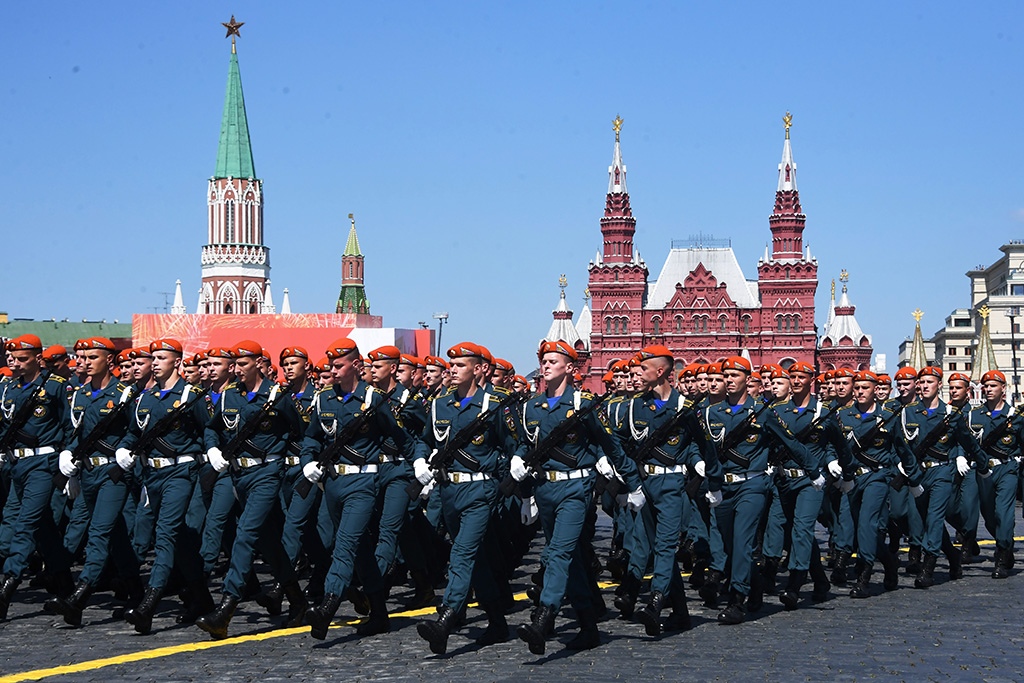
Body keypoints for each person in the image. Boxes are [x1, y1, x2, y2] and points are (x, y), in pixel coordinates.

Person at [511, 341, 642, 653]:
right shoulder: (532, 406)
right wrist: (520, 470)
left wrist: (633, 484)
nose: (546, 365)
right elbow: (526, 444)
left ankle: (544, 616)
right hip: (545, 489)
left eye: (553, 361)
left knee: (556, 553)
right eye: (543, 360)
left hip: (576, 489)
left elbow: (611, 446)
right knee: (571, 561)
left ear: (570, 368)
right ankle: (588, 626)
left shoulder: (584, 403)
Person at [301, 338, 426, 641]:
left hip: (362, 483)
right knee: (361, 552)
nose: (333, 370)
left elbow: (402, 437)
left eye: (339, 365)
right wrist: (308, 461)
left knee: (345, 544)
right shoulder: (324, 400)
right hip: (332, 483)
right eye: (331, 365)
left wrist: (420, 463)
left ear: (356, 366)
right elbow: (312, 437)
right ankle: (380, 614)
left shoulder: (374, 400)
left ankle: (327, 607)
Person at [196, 340, 307, 639]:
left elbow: (303, 431)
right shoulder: (230, 395)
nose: (236, 369)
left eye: (242, 364)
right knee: (270, 543)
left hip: (267, 473)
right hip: (239, 476)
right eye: (234, 364)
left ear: (258, 364)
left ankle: (226, 609)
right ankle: (298, 601)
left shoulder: (278, 396)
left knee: (244, 536)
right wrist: (213, 450)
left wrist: (295, 461)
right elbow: (211, 427)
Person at [412, 342, 516, 655]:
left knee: (461, 553)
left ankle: (447, 616)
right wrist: (419, 460)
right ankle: (497, 621)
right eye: (452, 365)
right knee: (477, 558)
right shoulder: (440, 403)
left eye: (460, 366)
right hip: (448, 492)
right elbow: (424, 439)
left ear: (479, 369)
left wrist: (516, 482)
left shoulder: (496, 403)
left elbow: (516, 445)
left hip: (479, 491)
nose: (453, 371)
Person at [703, 356, 812, 624]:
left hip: (752, 484)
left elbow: (790, 442)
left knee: (743, 542)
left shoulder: (762, 412)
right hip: (722, 488)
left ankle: (736, 600)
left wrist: (814, 469)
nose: (728, 381)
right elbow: (701, 448)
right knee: (730, 547)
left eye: (734, 376)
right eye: (725, 376)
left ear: (747, 379)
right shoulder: (710, 413)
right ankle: (755, 583)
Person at [609, 345, 708, 637]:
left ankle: (655, 602)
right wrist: (623, 474)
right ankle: (681, 611)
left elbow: (696, 445)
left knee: (665, 547)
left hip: (673, 484)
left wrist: (701, 465)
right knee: (650, 544)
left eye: (642, 369)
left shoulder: (686, 408)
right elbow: (616, 440)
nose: (635, 374)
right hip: (642, 484)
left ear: (661, 371)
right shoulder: (633, 406)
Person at [116, 339, 213, 635]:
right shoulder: (144, 398)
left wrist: (212, 453)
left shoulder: (190, 395)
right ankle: (202, 598)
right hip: (152, 475)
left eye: (161, 357)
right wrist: (124, 448)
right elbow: (132, 432)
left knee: (166, 533)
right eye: (153, 358)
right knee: (180, 539)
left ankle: (150, 602)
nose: (155, 362)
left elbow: (208, 429)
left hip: (181, 472)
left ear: (176, 361)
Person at [45, 337, 141, 627]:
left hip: (113, 472)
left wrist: (126, 447)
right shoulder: (80, 393)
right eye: (82, 357)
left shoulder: (125, 393)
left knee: (98, 532)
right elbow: (75, 430)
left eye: (92, 357)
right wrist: (68, 453)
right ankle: (137, 592)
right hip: (87, 472)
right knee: (115, 536)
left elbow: (136, 429)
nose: (84, 362)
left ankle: (79, 597)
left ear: (109, 361)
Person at [0, 335, 73, 621]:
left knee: (26, 524)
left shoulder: (54, 386)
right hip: (17, 463)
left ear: (37, 359)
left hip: (43, 463)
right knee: (36, 527)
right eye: (12, 359)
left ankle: (8, 584)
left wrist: (68, 458)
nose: (15, 364)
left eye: (22, 359)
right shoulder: (8, 389)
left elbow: (70, 425)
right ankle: (65, 584)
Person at [895, 366, 985, 588]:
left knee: (935, 517)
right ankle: (953, 557)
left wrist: (981, 463)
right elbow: (901, 443)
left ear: (939, 385)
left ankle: (929, 566)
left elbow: (969, 442)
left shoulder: (951, 414)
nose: (924, 386)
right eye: (921, 382)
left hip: (942, 471)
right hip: (918, 473)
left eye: (929, 382)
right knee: (925, 520)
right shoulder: (909, 412)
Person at [836, 371, 918, 599]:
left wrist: (914, 478)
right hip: (851, 479)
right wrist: (831, 462)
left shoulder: (889, 416)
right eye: (858, 388)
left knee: (868, 524)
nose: (860, 392)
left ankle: (864, 577)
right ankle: (890, 563)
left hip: (877, 477)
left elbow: (903, 449)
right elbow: (832, 445)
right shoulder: (843, 415)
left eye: (865, 388)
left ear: (875, 390)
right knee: (851, 525)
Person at [967, 370, 1018, 578]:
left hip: (1007, 468)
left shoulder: (1015, 415)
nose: (988, 390)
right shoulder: (974, 415)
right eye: (986, 386)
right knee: (988, 517)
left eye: (993, 386)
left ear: (1003, 389)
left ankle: (1002, 555)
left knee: (1003, 514)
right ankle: (1005, 542)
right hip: (984, 470)